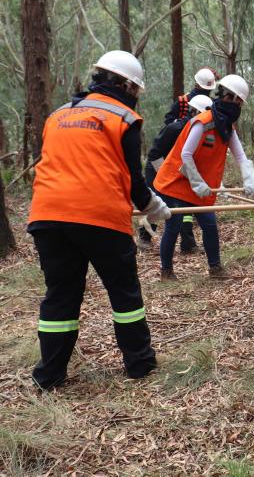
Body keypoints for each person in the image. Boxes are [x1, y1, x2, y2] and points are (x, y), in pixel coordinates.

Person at [27, 50, 171, 390]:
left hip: (48, 215)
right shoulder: (122, 117)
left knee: (60, 294)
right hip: (99, 216)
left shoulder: (58, 115)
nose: (136, 96)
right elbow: (133, 178)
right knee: (124, 295)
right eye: (136, 89)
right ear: (124, 84)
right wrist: (154, 206)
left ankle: (49, 375)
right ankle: (140, 364)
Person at [154, 75, 254, 280]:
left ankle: (215, 269)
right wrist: (197, 182)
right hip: (175, 181)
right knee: (174, 224)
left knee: (209, 224)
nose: (239, 106)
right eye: (238, 101)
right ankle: (166, 271)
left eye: (241, 103)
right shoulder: (203, 122)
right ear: (228, 97)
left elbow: (239, 155)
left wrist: (249, 178)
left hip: (200, 185)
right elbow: (185, 154)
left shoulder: (227, 126)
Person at [137, 95, 212, 251]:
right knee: (157, 202)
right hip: (157, 167)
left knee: (185, 206)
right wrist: (166, 176)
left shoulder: (201, 131)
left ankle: (188, 243)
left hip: (179, 170)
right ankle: (145, 237)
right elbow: (155, 154)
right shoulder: (175, 129)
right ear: (194, 112)